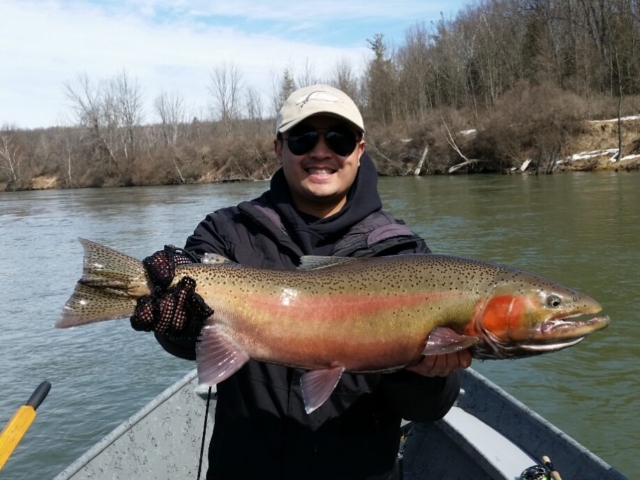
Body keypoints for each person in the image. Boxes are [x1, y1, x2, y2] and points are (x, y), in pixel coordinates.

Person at [130, 84, 471, 480]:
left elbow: (429, 408)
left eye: (338, 139)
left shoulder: (403, 255)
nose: (321, 151)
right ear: (279, 148)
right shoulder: (226, 232)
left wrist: (423, 372)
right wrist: (177, 323)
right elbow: (186, 342)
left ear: (359, 151)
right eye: (304, 137)